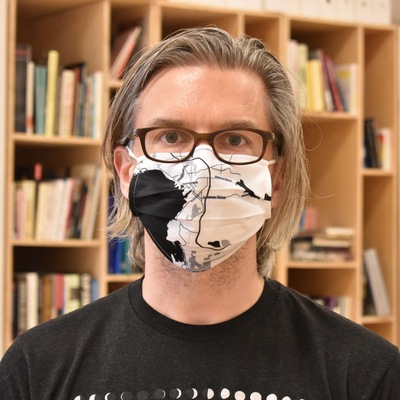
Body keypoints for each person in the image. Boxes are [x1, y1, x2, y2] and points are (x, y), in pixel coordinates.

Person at [1, 27, 399, 400]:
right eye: (171, 136)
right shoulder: (37, 368)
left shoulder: (368, 374)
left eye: (235, 139)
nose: (202, 166)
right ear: (125, 172)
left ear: (276, 179)